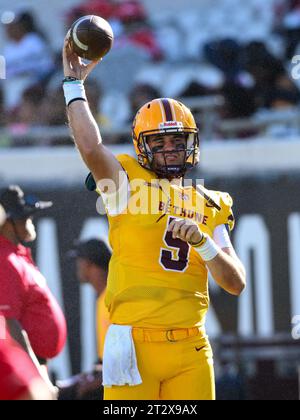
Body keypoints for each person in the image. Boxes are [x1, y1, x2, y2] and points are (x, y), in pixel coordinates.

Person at [62, 37, 246, 400]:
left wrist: (203, 243)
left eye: (176, 141)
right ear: (141, 147)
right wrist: (73, 84)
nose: (169, 150)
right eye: (158, 144)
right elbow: (89, 146)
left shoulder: (211, 203)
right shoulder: (125, 184)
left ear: (191, 143)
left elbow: (236, 283)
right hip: (132, 341)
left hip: (191, 344)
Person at [0, 185, 67, 396]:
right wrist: (37, 376)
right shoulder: (5, 259)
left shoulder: (15, 255)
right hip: (22, 374)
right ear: (7, 223)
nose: (29, 221)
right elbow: (10, 324)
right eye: (23, 217)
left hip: (32, 366)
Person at [58, 239, 111, 400]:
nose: (77, 266)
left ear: (88, 263)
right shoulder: (104, 297)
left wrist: (94, 382)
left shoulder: (111, 300)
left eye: (79, 261)